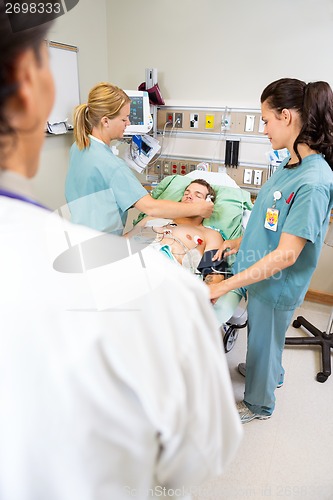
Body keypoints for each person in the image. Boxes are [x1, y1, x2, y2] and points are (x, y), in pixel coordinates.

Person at [0, 4, 242, 499]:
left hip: (104, 244)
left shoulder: (85, 148)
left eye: (202, 195)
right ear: (35, 87)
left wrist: (193, 226)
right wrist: (177, 214)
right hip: (111, 254)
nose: (131, 123)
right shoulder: (169, 292)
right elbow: (147, 203)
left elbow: (141, 210)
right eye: (127, 118)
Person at [209, 78, 333, 424]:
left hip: (277, 281)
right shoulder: (291, 163)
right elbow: (269, 219)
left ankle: (259, 405)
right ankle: (271, 373)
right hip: (260, 270)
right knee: (265, 337)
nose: (263, 128)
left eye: (266, 120)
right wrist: (237, 243)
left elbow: (286, 254)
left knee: (264, 339)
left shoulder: (314, 180)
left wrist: (223, 286)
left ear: (287, 116)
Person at [65, 83, 214, 235]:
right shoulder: (113, 166)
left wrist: (131, 193)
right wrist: (199, 208)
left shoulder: (78, 147)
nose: (128, 123)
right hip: (102, 246)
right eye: (124, 119)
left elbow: (96, 193)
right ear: (105, 121)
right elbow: (152, 208)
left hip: (77, 235)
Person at [127, 178, 244, 324]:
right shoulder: (154, 218)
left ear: (209, 203)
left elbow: (213, 274)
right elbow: (122, 244)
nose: (189, 196)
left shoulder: (209, 234)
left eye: (197, 195)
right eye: (187, 192)